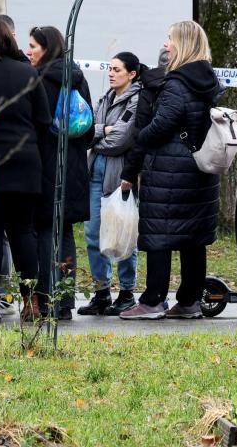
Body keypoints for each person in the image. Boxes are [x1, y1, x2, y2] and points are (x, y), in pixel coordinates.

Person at [119, 21, 223, 320]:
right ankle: (190, 301)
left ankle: (153, 300)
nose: (166, 45)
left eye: (170, 40)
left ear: (183, 45)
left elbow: (164, 123)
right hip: (199, 169)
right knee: (194, 238)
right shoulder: (208, 80)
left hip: (169, 171)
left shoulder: (177, 82)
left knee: (159, 235)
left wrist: (141, 136)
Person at [0, 17, 51, 319]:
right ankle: (31, 300)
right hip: (25, 161)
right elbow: (44, 121)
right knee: (23, 233)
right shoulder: (27, 73)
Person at [29, 25, 93, 318]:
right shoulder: (77, 77)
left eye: (33, 46)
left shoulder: (40, 80)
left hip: (46, 164)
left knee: (44, 229)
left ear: (48, 48)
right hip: (74, 164)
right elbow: (89, 128)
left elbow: (37, 124)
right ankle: (66, 301)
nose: (29, 51)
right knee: (64, 231)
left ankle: (48, 300)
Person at [80, 51, 142, 315]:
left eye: (117, 69)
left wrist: (98, 135)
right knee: (93, 234)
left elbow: (121, 141)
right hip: (95, 172)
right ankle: (101, 292)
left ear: (132, 74)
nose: (111, 73)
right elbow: (85, 130)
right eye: (110, 69)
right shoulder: (105, 98)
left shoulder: (136, 101)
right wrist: (100, 131)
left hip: (120, 175)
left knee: (123, 231)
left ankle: (127, 292)